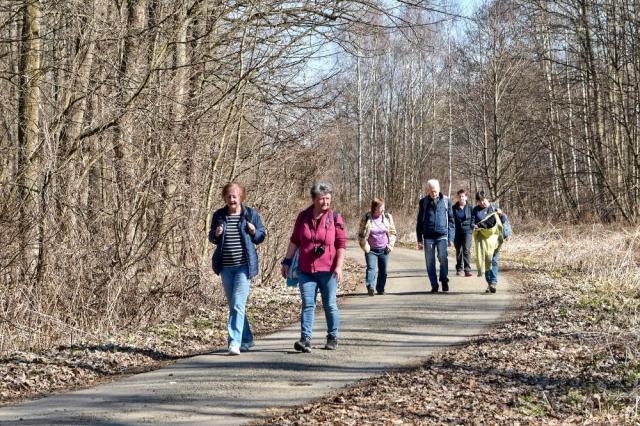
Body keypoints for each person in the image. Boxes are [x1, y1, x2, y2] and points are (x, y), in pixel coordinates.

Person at [281, 182, 347, 353]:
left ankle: (332, 337)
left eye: (328, 199)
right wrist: (286, 262)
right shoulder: (303, 216)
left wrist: (339, 267)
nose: (326, 202)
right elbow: (295, 240)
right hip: (306, 270)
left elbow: (341, 244)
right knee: (307, 304)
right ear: (314, 199)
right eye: (322, 199)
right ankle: (305, 339)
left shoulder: (335, 217)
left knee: (330, 304)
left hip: (329, 270)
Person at [208, 183, 266, 355]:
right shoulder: (219, 215)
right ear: (224, 198)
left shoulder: (250, 214)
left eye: (235, 196)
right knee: (235, 304)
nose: (232, 199)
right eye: (229, 196)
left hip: (244, 267)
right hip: (225, 267)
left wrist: (254, 231)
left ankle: (234, 342)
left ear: (241, 197)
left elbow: (261, 236)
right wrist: (216, 234)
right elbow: (212, 237)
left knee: (238, 305)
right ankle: (247, 339)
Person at [416, 179, 455, 293]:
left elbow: (451, 220)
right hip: (428, 236)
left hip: (442, 235)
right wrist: (419, 239)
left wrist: (451, 238)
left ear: (439, 188)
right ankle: (434, 284)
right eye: (432, 191)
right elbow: (420, 221)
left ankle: (444, 279)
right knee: (430, 262)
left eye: (436, 191)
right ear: (428, 190)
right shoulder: (423, 202)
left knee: (443, 257)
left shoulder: (446, 201)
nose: (434, 193)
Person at [357, 198, 397, 296]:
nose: (383, 209)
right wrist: (365, 247)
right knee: (371, 268)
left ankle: (380, 289)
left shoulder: (387, 217)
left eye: (383, 207)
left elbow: (392, 232)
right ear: (374, 208)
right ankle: (370, 287)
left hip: (384, 249)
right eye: (380, 208)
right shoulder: (367, 217)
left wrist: (390, 245)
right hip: (371, 249)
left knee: (383, 270)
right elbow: (361, 234)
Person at [472, 191, 506, 294]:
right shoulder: (475, 210)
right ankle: (489, 282)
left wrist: (501, 214)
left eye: (484, 200)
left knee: (494, 260)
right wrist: (473, 226)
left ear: (487, 199)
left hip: (494, 238)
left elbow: (503, 220)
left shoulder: (494, 208)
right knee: (486, 261)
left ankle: (493, 283)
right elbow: (472, 222)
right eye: (480, 201)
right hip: (482, 239)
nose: (482, 203)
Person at [453, 189, 474, 277]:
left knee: (466, 249)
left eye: (463, 196)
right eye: (460, 196)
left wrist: (473, 225)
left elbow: (473, 217)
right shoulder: (454, 208)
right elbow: (451, 219)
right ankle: (459, 268)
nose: (461, 198)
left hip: (468, 230)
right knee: (459, 250)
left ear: (466, 197)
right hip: (457, 231)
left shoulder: (470, 208)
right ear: (458, 197)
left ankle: (467, 270)